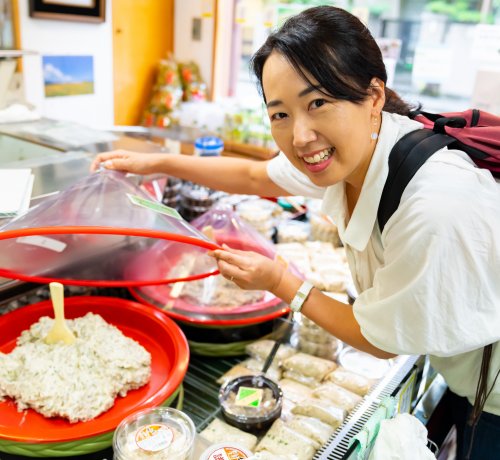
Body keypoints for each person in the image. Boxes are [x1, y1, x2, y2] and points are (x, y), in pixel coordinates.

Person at [91, 6, 500, 459]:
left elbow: (380, 342)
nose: (301, 136)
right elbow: (253, 178)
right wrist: (156, 161)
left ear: (374, 94)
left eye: (318, 103)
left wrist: (281, 282)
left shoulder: (434, 206)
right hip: (468, 371)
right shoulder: (351, 152)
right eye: (280, 114)